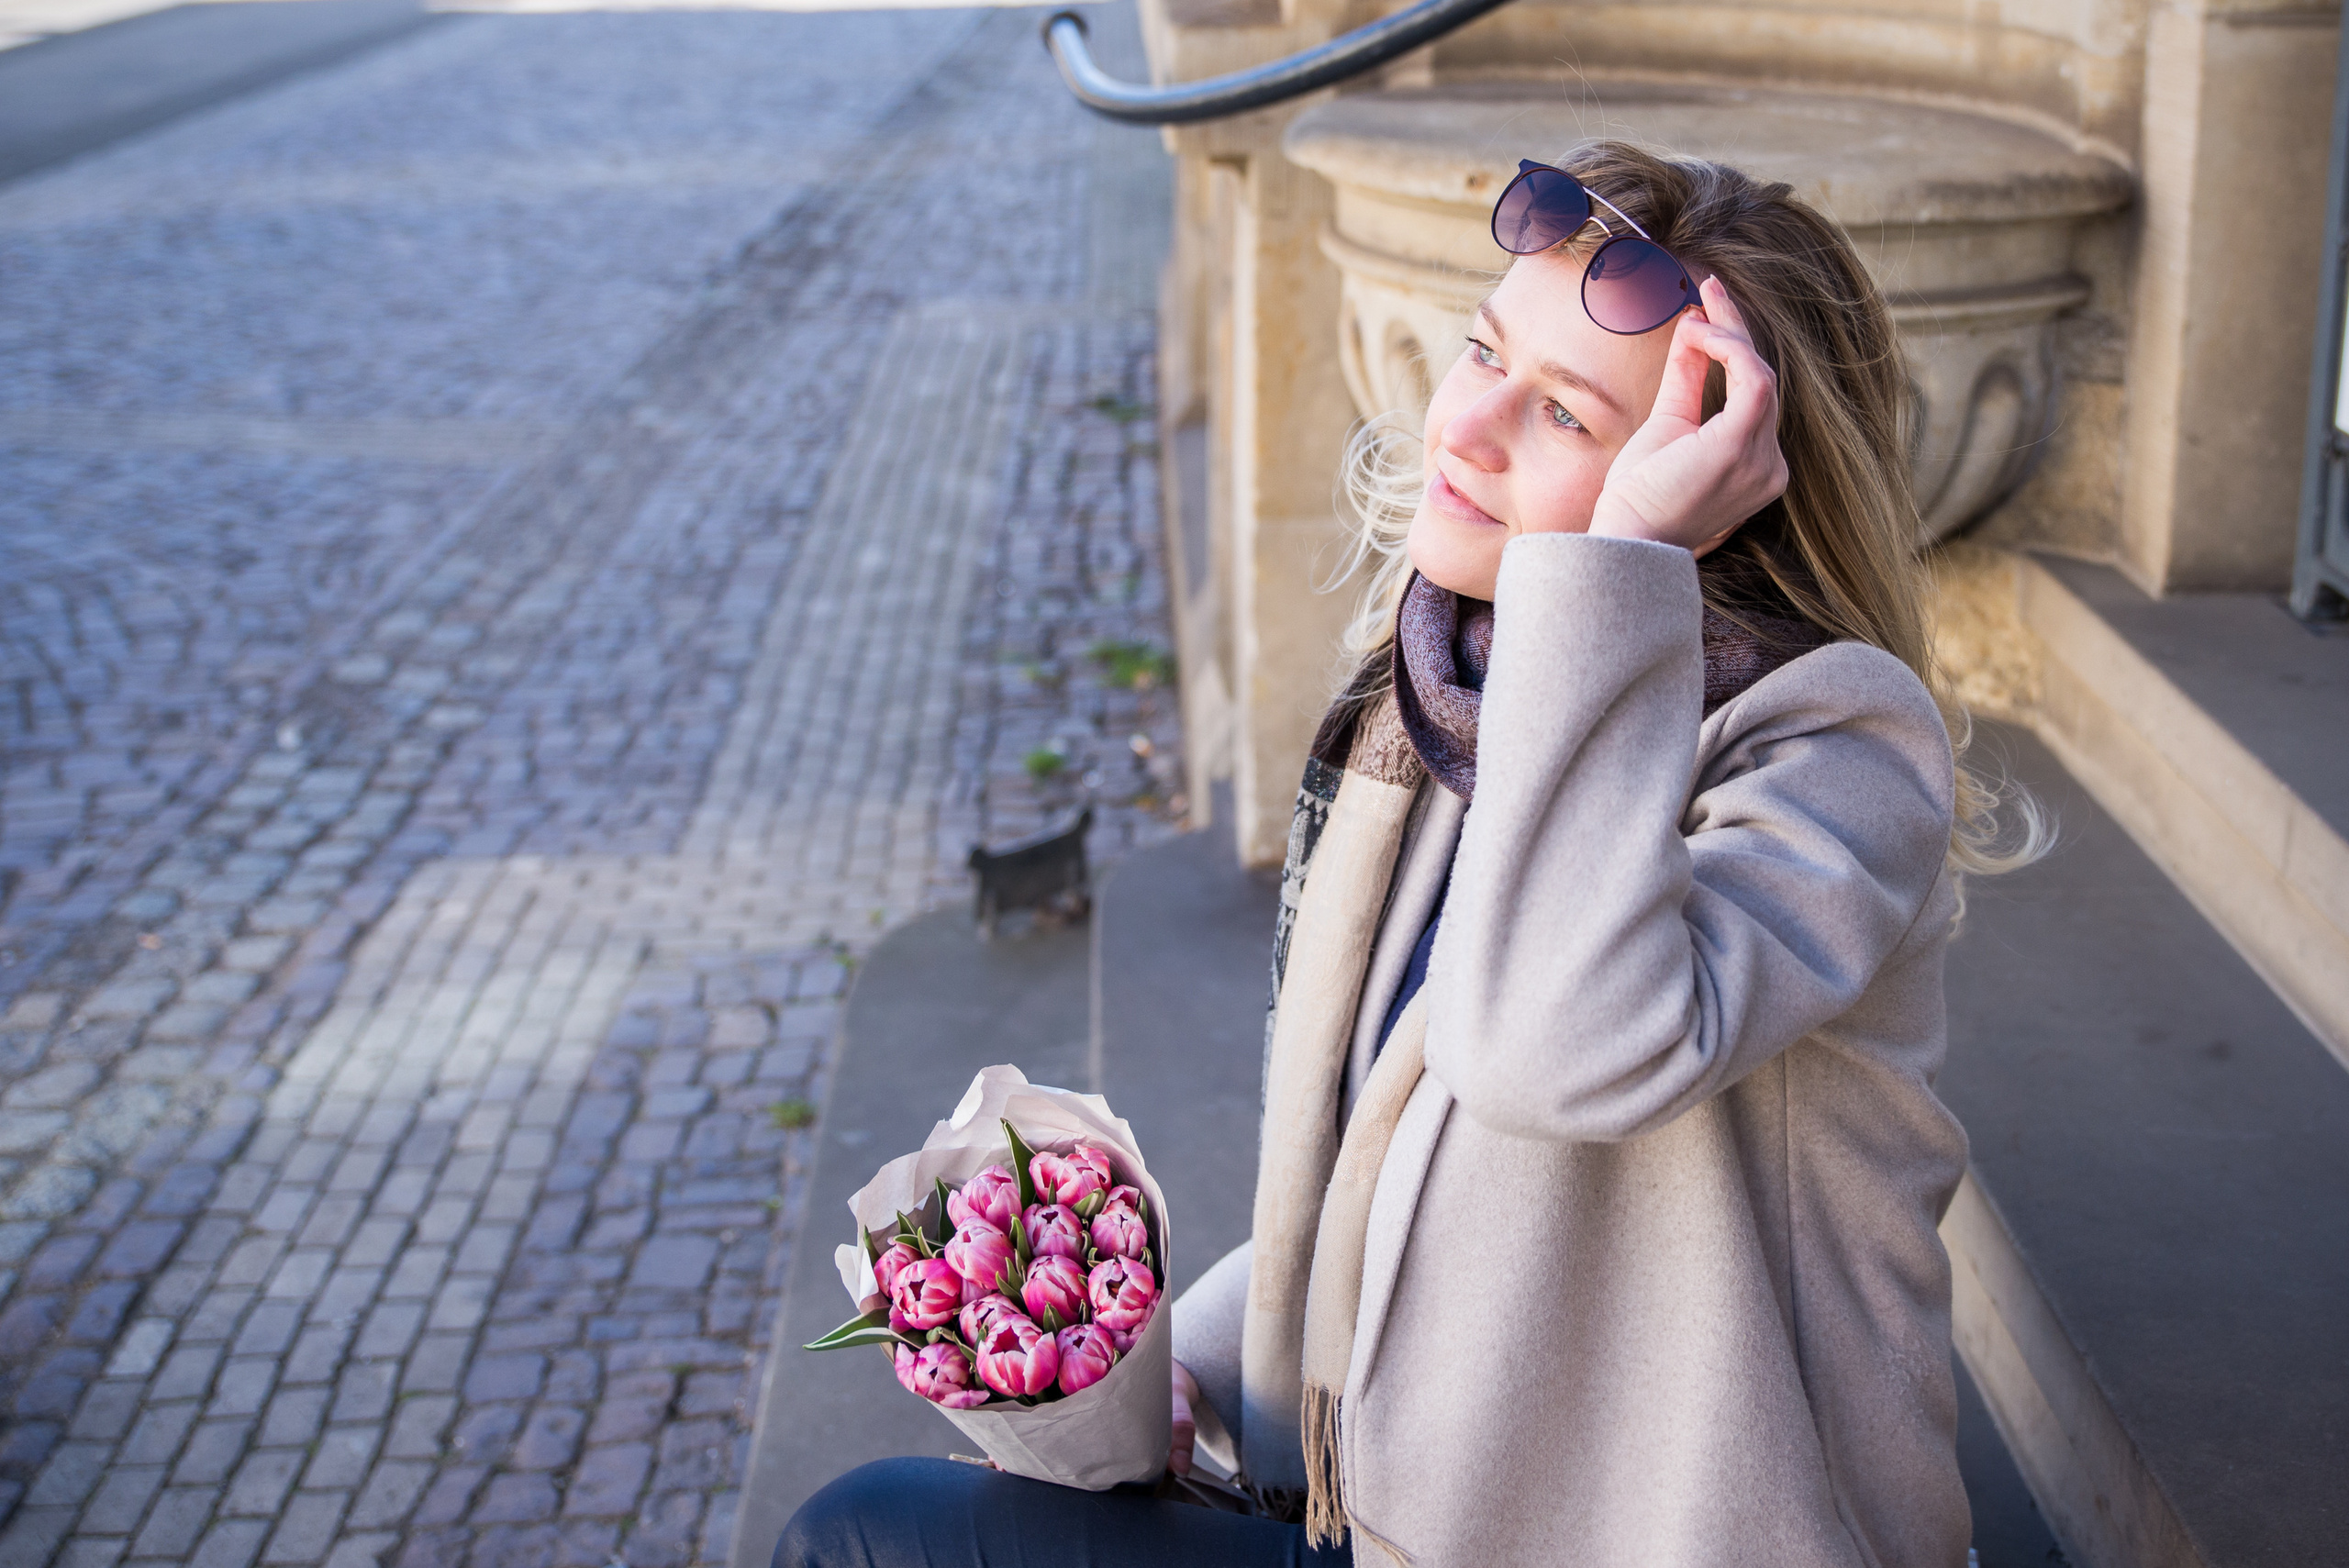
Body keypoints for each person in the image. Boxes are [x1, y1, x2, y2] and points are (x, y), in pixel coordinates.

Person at [777, 139, 2041, 1568]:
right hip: (1405, 1502)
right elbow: (1396, 1170)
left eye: (1563, 412)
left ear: (1725, 480)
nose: (1468, 426)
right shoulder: (1464, 689)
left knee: (860, 1542)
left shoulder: (1834, 747)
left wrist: (1623, 553)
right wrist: (1164, 1361)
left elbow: (1551, 1044)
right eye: (1483, 349)